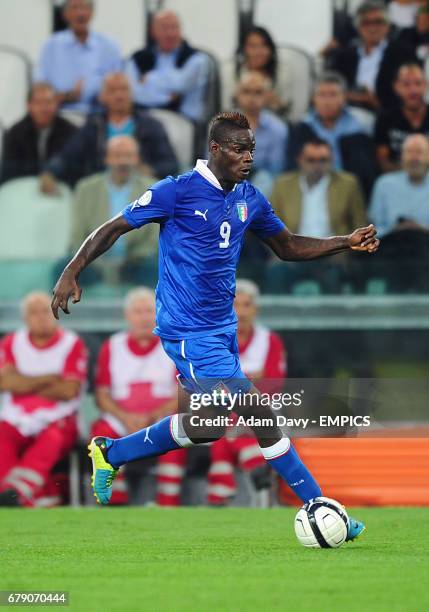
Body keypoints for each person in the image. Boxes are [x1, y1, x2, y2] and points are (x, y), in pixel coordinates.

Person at [52, 111, 379, 541]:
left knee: (208, 425)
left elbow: (287, 247)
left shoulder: (249, 198)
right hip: (187, 332)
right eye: (240, 149)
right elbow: (113, 227)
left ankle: (112, 452)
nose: (248, 157)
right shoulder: (177, 191)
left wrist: (344, 241)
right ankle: (320, 504)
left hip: (222, 328)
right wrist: (72, 270)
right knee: (260, 412)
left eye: (252, 150)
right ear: (216, 149)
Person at [91, 287, 184, 505]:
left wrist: (153, 416)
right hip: (121, 419)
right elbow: (102, 395)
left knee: (178, 430)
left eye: (149, 311)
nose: (144, 317)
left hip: (161, 418)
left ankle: (167, 502)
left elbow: (184, 391)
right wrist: (126, 418)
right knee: (101, 431)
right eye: (138, 311)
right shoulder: (112, 346)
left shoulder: (172, 345)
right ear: (127, 316)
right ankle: (115, 501)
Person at [0, 292, 87, 507]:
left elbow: (68, 391)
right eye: (34, 312)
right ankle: (28, 496)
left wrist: (24, 383)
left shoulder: (71, 343)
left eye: (45, 311)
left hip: (60, 417)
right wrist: (49, 379)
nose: (40, 316)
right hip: (16, 417)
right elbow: (6, 383)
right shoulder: (12, 342)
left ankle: (17, 493)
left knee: (53, 437)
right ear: (25, 318)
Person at [208, 279, 287, 506]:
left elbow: (273, 385)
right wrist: (252, 379)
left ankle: (220, 495)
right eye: (234, 305)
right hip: (222, 411)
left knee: (229, 435)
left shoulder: (269, 341)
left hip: (263, 410)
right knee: (225, 431)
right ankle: (258, 481)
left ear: (256, 309)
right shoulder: (214, 341)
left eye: (246, 305)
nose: (240, 312)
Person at [41, 73, 178, 191]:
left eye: (124, 90)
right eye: (112, 90)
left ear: (132, 94)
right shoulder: (93, 126)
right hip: (101, 191)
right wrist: (50, 172)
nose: (119, 95)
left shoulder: (151, 126)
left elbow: (171, 164)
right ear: (102, 97)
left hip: (140, 192)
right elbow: (68, 155)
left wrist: (150, 170)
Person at [70, 136, 158, 285]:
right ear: (107, 159)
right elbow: (77, 233)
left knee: (154, 267)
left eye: (128, 156)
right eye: (117, 156)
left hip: (137, 261)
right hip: (93, 259)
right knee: (62, 269)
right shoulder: (85, 188)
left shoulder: (153, 188)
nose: (123, 162)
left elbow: (154, 238)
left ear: (136, 159)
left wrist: (132, 260)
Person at [288, 72, 377, 197]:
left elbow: (366, 171)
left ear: (344, 98)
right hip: (311, 190)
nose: (327, 101)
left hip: (350, 191)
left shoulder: (361, 126)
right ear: (314, 98)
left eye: (333, 95)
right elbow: (294, 167)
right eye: (322, 95)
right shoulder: (302, 128)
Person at [34, 0, 122, 113]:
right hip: (60, 115)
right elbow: (39, 91)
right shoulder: (51, 47)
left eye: (84, 7)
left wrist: (104, 95)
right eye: (75, 8)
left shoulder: (109, 47)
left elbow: (120, 89)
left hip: (99, 117)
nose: (80, 13)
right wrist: (66, 96)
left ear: (92, 12)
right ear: (65, 14)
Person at [327, 0, 416, 110]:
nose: (373, 28)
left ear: (387, 25)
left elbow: (409, 92)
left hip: (384, 113)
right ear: (358, 27)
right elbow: (331, 83)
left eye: (378, 22)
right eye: (366, 23)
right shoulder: (344, 56)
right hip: (344, 109)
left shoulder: (403, 54)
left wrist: (374, 101)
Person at [125, 10, 210, 123]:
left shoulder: (197, 59)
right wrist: (167, 98)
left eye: (174, 27)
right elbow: (131, 93)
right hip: (142, 117)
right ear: (152, 31)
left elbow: (182, 83)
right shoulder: (137, 59)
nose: (170, 33)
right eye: (164, 28)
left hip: (182, 119)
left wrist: (150, 79)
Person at [273, 139, 367, 237]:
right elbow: (271, 225)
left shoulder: (347, 184)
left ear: (332, 160)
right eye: (311, 160)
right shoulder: (283, 185)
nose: (317, 165)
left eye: (323, 160)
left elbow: (360, 223)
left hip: (335, 249)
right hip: (294, 250)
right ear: (299, 160)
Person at [1, 83, 76, 185]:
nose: (44, 108)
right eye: (38, 103)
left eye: (49, 102)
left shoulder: (71, 131)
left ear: (57, 104)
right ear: (29, 105)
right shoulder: (15, 133)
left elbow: (75, 168)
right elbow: (9, 171)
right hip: (23, 189)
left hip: (59, 189)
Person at [234, 71, 288, 195]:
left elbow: (276, 171)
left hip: (261, 184)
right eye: (246, 91)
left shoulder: (278, 128)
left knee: (265, 179)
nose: (251, 98)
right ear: (237, 94)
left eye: (258, 92)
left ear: (268, 96)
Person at [370, 133, 429, 236]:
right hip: (391, 247)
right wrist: (396, 230)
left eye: (419, 152)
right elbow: (374, 230)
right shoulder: (384, 184)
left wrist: (421, 230)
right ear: (402, 156)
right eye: (409, 152)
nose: (414, 158)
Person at [374, 64, 429, 172]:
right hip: (397, 178)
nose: (413, 90)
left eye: (418, 83)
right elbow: (382, 161)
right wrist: (411, 174)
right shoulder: (385, 118)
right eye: (406, 84)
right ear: (396, 87)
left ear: (426, 85)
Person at [232, 26, 293, 117]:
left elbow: (288, 108)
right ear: (243, 49)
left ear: (271, 49)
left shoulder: (283, 73)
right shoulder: (233, 72)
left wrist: (275, 102)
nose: (258, 51)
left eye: (263, 45)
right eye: (252, 46)